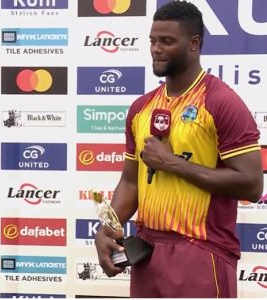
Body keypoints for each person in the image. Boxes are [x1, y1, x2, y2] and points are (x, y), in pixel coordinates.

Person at [94, 1, 263, 298]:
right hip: (147, 251)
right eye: (152, 41)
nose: (156, 49)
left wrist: (173, 164)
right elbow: (131, 181)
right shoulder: (141, 108)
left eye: (167, 41)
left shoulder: (221, 102)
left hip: (201, 250)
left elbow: (251, 184)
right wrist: (109, 227)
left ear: (193, 44)